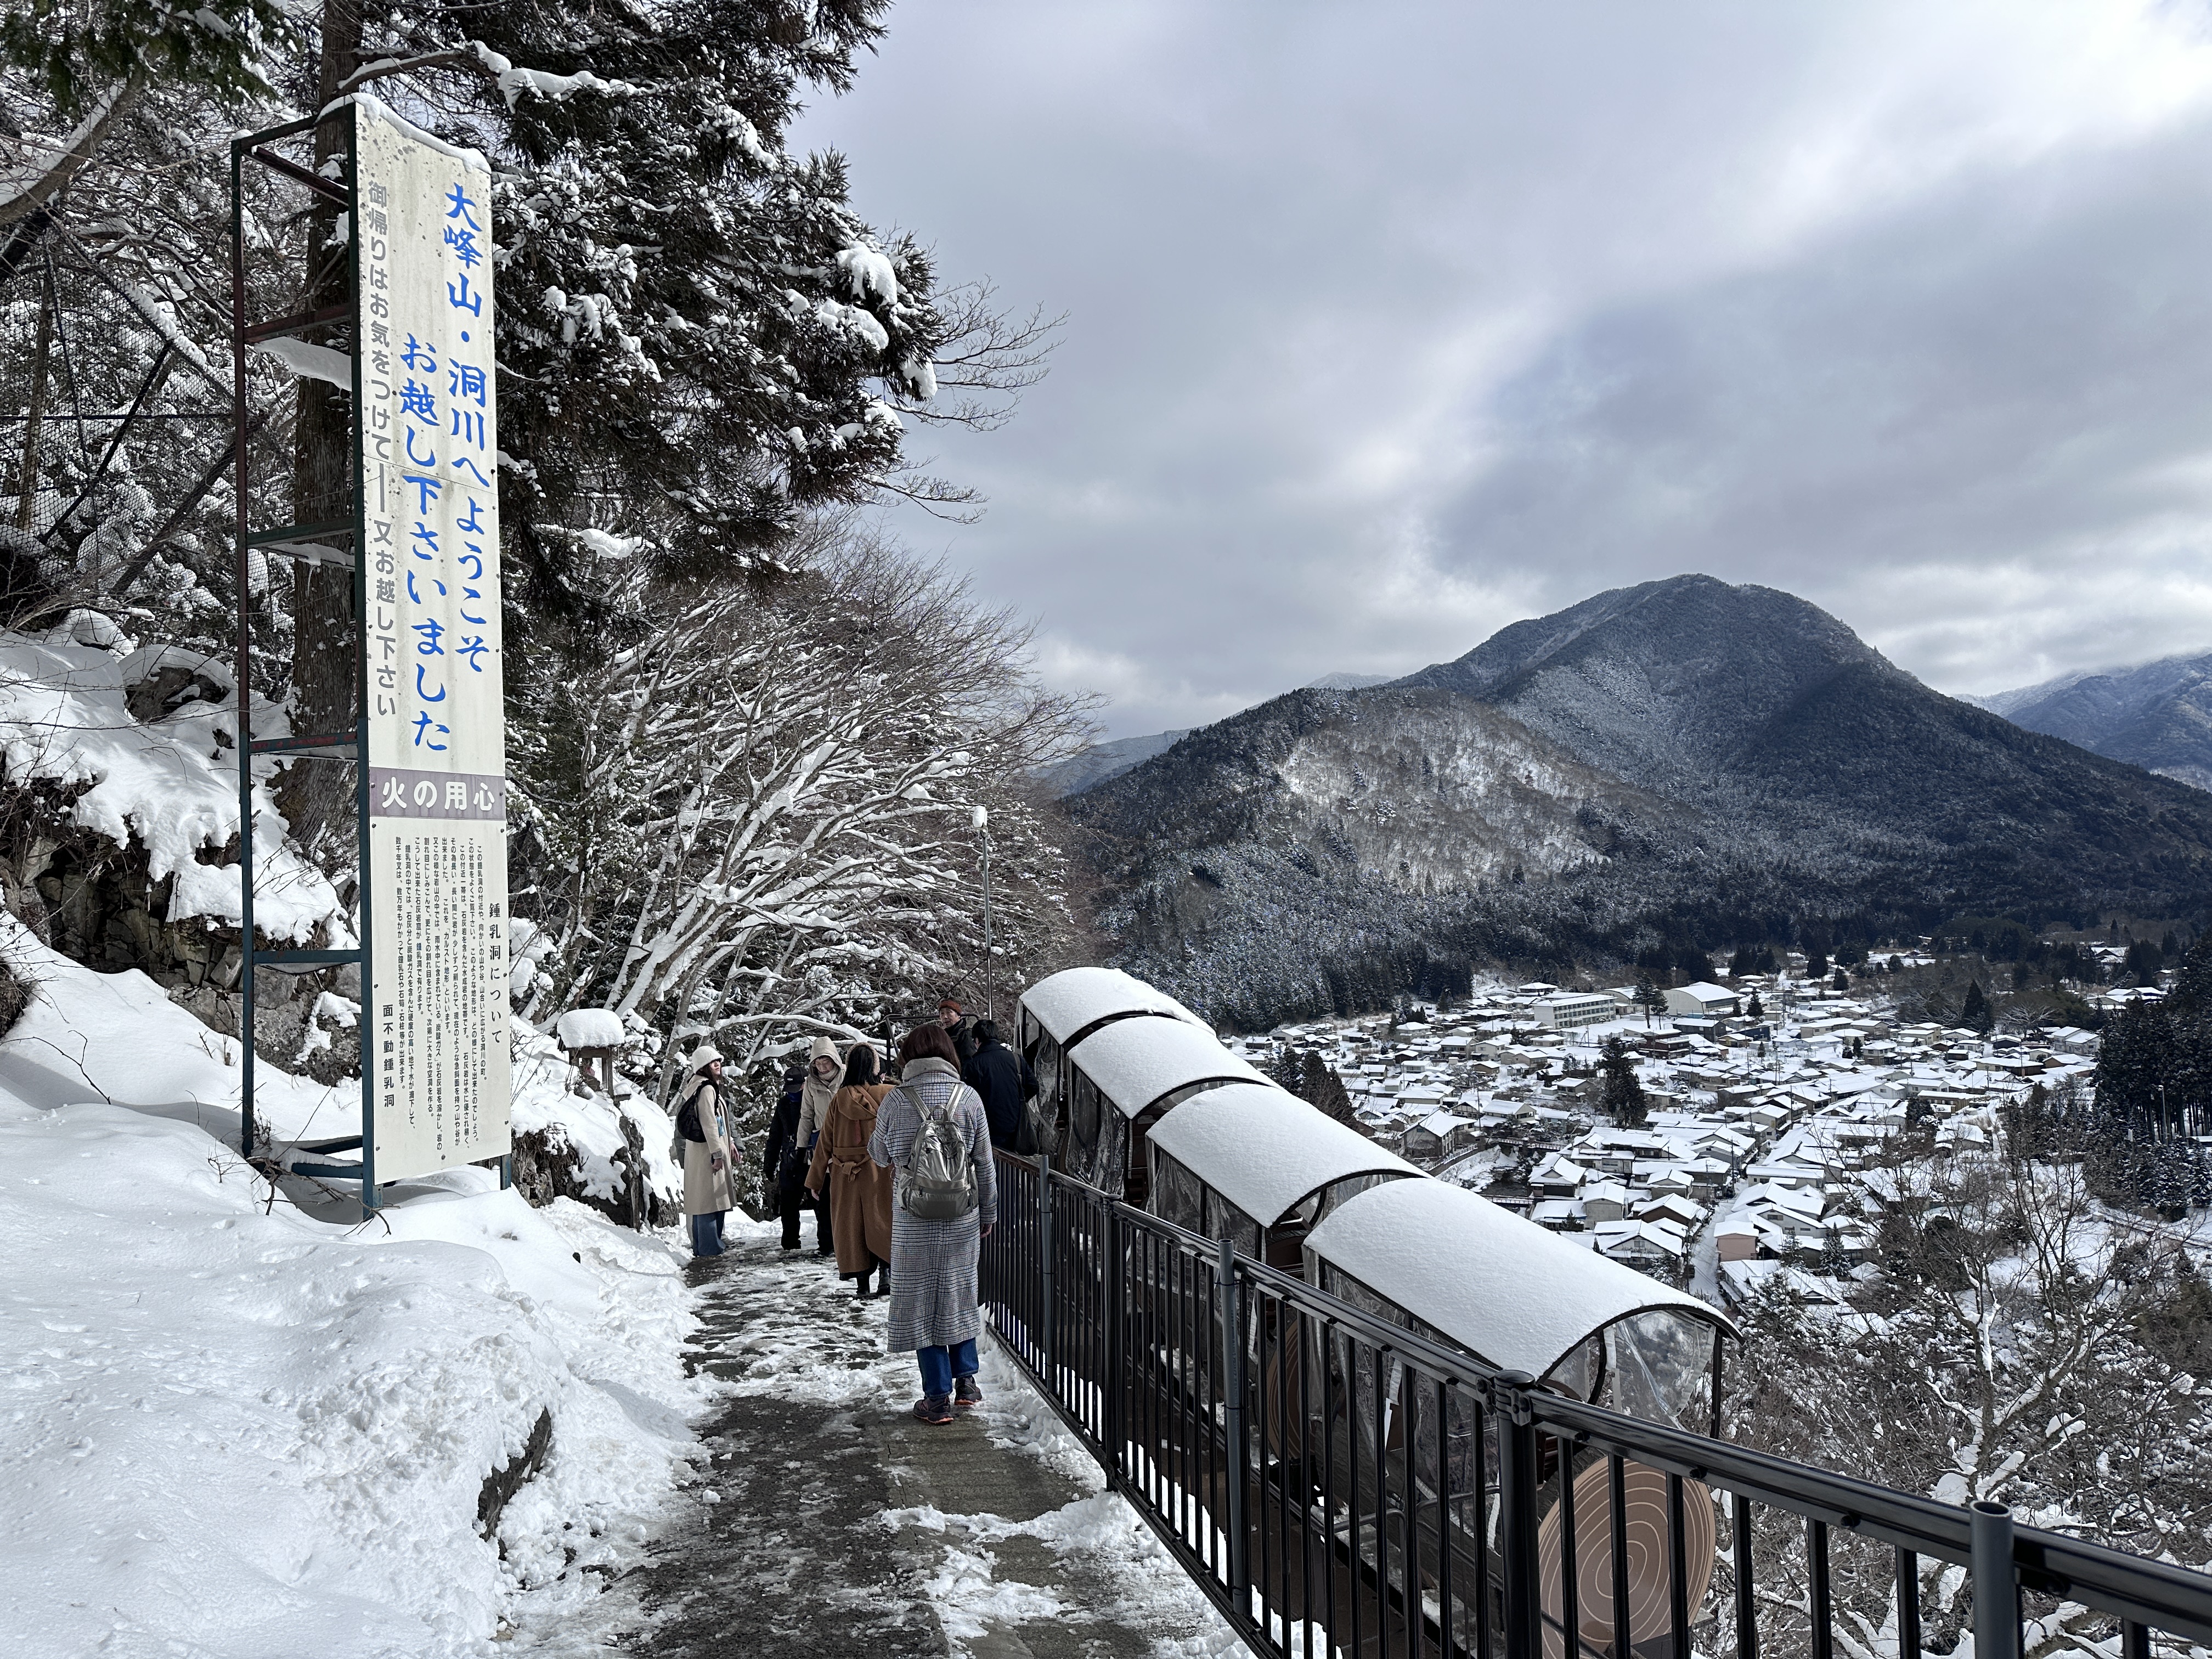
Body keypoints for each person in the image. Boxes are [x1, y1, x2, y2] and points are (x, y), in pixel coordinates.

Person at [871, 1022, 997, 1424]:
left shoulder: (896, 1100)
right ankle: (966, 1383)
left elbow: (878, 1154)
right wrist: (989, 1212)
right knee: (959, 1290)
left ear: (909, 1056)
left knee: (922, 1302)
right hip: (963, 1215)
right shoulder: (969, 1098)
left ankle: (937, 1398)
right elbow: (985, 1164)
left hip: (914, 1218)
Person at [806, 1043, 895, 1298]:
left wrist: (816, 1179)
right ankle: (886, 1275)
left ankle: (862, 1284)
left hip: (846, 1176)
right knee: (882, 1222)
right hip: (881, 1170)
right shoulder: (890, 1094)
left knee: (853, 1227)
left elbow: (825, 1142)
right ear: (874, 1066)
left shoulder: (839, 1099)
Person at [676, 1046, 734, 1259]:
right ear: (703, 1067)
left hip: (699, 1150)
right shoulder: (708, 1089)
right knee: (710, 1203)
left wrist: (730, 1144)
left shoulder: (696, 1086)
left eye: (718, 1060)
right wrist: (718, 1154)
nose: (717, 1064)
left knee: (703, 1202)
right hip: (708, 1152)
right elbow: (710, 1123)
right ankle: (711, 1250)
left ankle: (703, 1248)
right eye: (712, 1062)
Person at [794, 1035, 843, 1258]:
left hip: (847, 1140)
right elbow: (806, 1115)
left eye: (826, 1062)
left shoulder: (846, 1075)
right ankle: (826, 1243)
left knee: (845, 1194)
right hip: (822, 1142)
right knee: (821, 1193)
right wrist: (801, 1147)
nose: (822, 1067)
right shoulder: (811, 1083)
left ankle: (847, 1241)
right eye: (818, 1063)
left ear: (834, 1060)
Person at [962, 1019, 1037, 1150]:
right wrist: (1017, 1100)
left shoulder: (973, 1065)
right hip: (1016, 1124)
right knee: (1015, 1167)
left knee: (994, 1167)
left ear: (977, 1040)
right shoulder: (1016, 1059)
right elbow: (1034, 1086)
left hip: (987, 1128)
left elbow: (967, 1100)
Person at [763, 1063, 806, 1251]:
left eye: (796, 1089)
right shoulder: (783, 1104)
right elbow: (775, 1137)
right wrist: (769, 1166)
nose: (793, 1094)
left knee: (822, 1208)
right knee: (788, 1208)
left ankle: (827, 1246)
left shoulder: (816, 1100)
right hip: (789, 1165)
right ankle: (790, 1244)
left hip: (813, 1163)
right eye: (790, 1090)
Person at [936, 997, 978, 1064]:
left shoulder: (966, 1034)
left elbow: (970, 1061)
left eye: (949, 1012)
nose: (945, 1017)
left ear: (958, 1015)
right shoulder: (942, 1035)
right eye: (942, 1014)